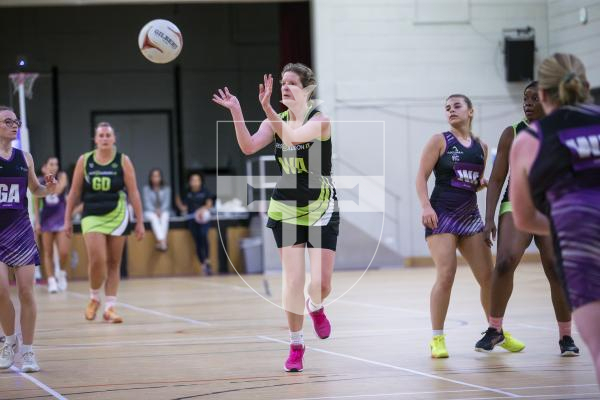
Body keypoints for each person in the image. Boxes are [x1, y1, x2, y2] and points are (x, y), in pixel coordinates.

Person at [213, 63, 339, 372]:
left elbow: (294, 138)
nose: (284, 87)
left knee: (321, 283)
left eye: (291, 83)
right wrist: (237, 111)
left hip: (320, 205)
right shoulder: (275, 121)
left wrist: (268, 107)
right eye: (282, 82)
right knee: (293, 281)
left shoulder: (319, 121)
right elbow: (248, 146)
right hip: (285, 207)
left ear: (306, 90)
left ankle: (316, 306)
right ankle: (296, 343)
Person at [510, 53, 600, 383]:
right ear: (585, 87)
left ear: (543, 95)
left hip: (581, 245)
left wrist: (567, 221)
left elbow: (524, 217)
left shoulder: (531, 138)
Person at [475, 82, 579, 355]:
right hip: (516, 204)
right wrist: (489, 219)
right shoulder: (513, 132)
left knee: (556, 269)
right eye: (525, 98)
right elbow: (497, 179)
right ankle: (495, 329)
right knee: (505, 261)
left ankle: (566, 337)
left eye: (535, 98)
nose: (528, 103)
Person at [416, 94, 523, 358]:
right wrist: (425, 206)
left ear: (471, 111)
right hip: (442, 214)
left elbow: (470, 183)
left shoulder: (482, 147)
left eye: (457, 106)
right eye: (447, 108)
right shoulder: (439, 140)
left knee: (489, 277)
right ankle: (437, 338)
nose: (451, 110)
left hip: (470, 215)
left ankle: (495, 330)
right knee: (447, 273)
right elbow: (421, 175)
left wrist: (480, 183)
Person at [65, 122, 144, 324]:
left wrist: (140, 221)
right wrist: (66, 219)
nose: (105, 138)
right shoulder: (85, 160)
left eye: (108, 135)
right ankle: (93, 297)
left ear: (114, 138)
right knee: (97, 259)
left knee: (114, 263)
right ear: (95, 139)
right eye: (101, 135)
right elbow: (74, 192)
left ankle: (110, 308)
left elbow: (134, 192)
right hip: (91, 214)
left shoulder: (123, 161)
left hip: (118, 214)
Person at [0, 106, 57, 372]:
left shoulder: (26, 157)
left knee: (26, 292)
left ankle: (29, 351)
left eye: (16, 121)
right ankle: (9, 342)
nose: (14, 125)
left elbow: (36, 190)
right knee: (1, 291)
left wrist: (50, 187)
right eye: (8, 121)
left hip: (21, 231)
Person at [33, 157, 70, 293]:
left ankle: (62, 273)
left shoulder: (62, 176)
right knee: (47, 252)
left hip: (61, 218)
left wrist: (50, 179)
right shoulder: (39, 181)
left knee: (64, 252)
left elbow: (57, 190)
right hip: (46, 220)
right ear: (45, 167)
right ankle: (51, 280)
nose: (54, 166)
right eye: (51, 164)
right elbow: (36, 203)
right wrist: (37, 222)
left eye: (56, 164)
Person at [176, 172, 213, 275]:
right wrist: (180, 205)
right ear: (190, 182)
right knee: (197, 241)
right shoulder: (187, 192)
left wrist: (202, 210)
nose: (195, 182)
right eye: (193, 180)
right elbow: (182, 205)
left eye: (197, 180)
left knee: (203, 236)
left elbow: (209, 204)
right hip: (192, 220)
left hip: (203, 219)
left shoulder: (205, 191)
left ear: (200, 181)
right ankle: (202, 264)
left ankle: (207, 260)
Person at [143, 168, 171, 251]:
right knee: (154, 218)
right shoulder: (146, 189)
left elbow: (167, 203)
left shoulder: (166, 188)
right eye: (154, 176)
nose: (156, 178)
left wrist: (160, 210)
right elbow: (146, 203)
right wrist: (155, 210)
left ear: (161, 177)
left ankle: (161, 242)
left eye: (158, 176)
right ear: (150, 178)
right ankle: (163, 241)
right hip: (150, 212)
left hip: (163, 211)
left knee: (165, 216)